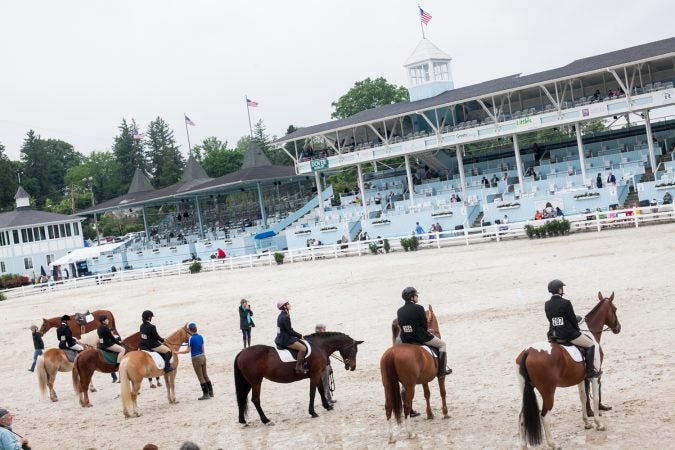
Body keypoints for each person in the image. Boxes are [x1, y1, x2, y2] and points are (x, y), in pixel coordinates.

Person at [545, 279, 600, 379]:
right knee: (591, 345)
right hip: (567, 335)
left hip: (553, 335)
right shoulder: (566, 303)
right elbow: (572, 320)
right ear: (559, 290)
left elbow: (551, 320)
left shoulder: (547, 304)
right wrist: (577, 329)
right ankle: (590, 372)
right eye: (562, 288)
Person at [397, 287, 452, 378]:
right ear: (411, 298)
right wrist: (427, 330)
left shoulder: (399, 310)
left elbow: (401, 325)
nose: (417, 297)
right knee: (442, 345)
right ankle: (442, 371)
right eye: (416, 295)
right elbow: (424, 325)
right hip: (420, 337)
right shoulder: (419, 308)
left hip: (406, 339)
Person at [178, 323, 212, 400]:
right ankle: (211, 392)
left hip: (195, 358)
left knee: (200, 377)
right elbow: (203, 349)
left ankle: (206, 394)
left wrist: (178, 352)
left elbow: (188, 351)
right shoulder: (200, 336)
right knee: (205, 375)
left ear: (190, 330)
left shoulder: (190, 339)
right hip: (203, 356)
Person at [274, 300, 308, 374]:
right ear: (285, 306)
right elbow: (290, 331)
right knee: (303, 348)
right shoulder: (285, 317)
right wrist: (300, 336)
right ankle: (298, 368)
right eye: (288, 304)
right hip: (285, 340)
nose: (290, 305)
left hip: (281, 337)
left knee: (299, 342)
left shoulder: (281, 315)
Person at [314, 324, 335, 406]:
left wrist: (330, 365)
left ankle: (329, 398)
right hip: (323, 364)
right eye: (324, 329)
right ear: (320, 330)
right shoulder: (318, 340)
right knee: (325, 383)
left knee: (327, 382)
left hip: (326, 363)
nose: (325, 330)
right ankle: (326, 401)